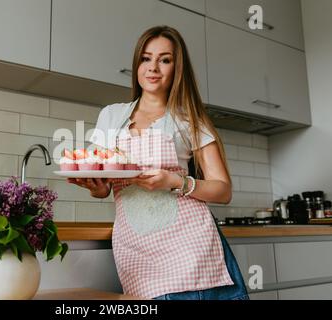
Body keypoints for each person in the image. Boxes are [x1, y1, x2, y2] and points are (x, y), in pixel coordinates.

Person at [67, 25, 249, 300]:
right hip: (137, 249)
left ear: (177, 68)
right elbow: (102, 178)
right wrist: (96, 187)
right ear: (137, 64)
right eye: (146, 58)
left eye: (164, 60)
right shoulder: (111, 115)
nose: (153, 67)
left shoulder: (190, 120)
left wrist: (175, 181)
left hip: (191, 249)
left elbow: (223, 190)